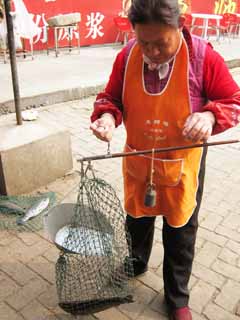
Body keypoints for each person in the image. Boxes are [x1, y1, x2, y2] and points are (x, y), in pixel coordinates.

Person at [90, 0, 240, 319]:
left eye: (161, 43)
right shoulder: (128, 55)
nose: (152, 52)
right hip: (140, 159)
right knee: (137, 218)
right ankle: (136, 261)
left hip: (182, 164)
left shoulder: (202, 57)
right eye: (145, 42)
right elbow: (111, 98)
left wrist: (211, 118)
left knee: (180, 230)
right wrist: (106, 117)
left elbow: (233, 99)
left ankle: (176, 297)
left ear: (180, 25)